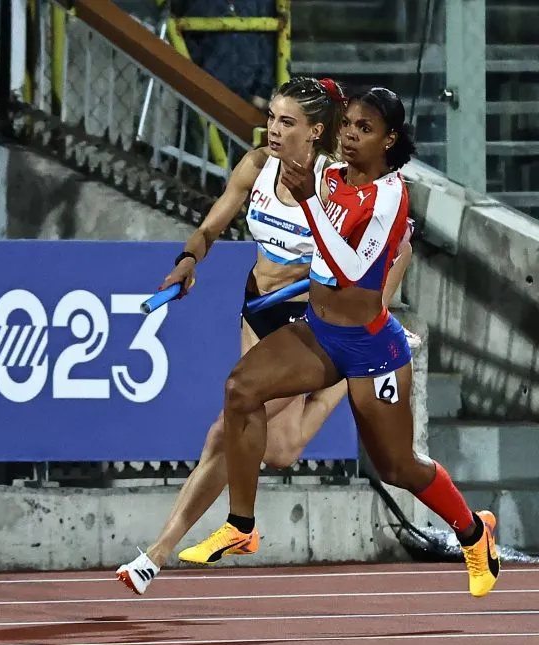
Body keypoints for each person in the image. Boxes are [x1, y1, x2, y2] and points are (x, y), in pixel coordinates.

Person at [178, 86, 500, 598]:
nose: (350, 135)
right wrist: (288, 133)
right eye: (348, 124)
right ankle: (242, 526)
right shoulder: (330, 174)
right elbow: (297, 168)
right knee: (241, 389)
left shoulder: (390, 197)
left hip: (371, 347)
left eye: (364, 129)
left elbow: (352, 269)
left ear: (389, 139)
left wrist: (308, 201)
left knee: (398, 466)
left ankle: (473, 531)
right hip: (319, 333)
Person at [116, 76, 416, 596]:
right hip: (257, 309)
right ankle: (344, 381)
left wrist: (374, 312)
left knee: (223, 429)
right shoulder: (256, 167)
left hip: (308, 324)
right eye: (271, 118)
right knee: (274, 451)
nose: (272, 131)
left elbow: (401, 246)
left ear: (314, 131)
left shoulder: (333, 184)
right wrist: (189, 260)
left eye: (286, 122)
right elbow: (210, 227)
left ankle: (156, 554)